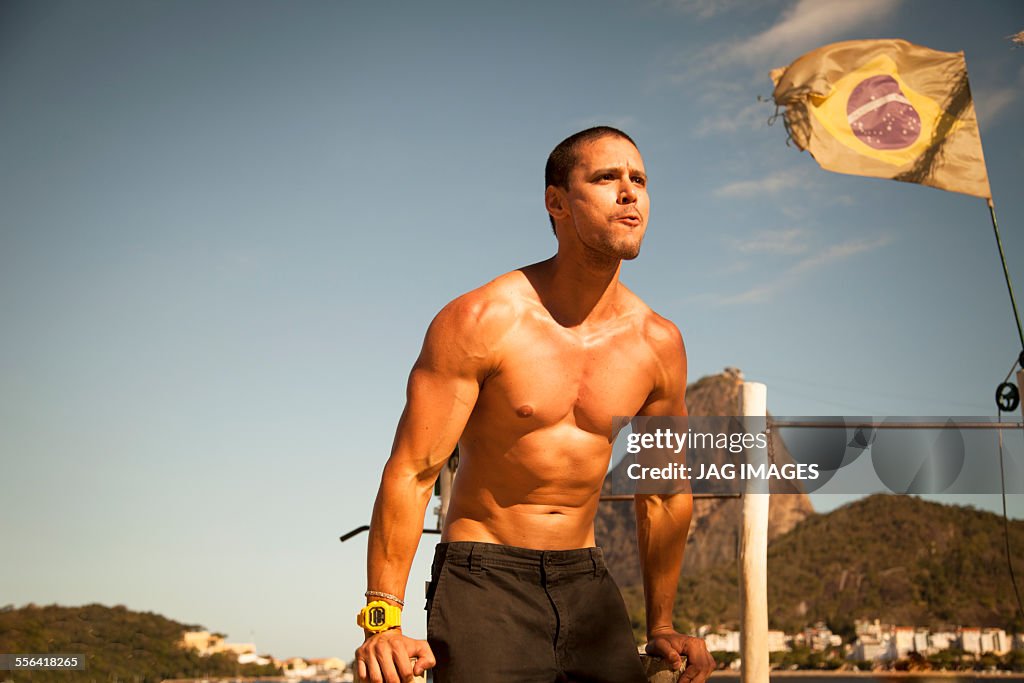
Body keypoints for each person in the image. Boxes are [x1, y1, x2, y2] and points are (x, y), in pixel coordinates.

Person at [355, 127, 715, 683]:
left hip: (587, 579)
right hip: (484, 576)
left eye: (639, 180)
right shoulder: (482, 319)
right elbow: (412, 470)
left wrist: (662, 625)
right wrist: (382, 620)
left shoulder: (658, 343)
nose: (629, 193)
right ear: (556, 202)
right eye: (605, 178)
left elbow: (664, 494)